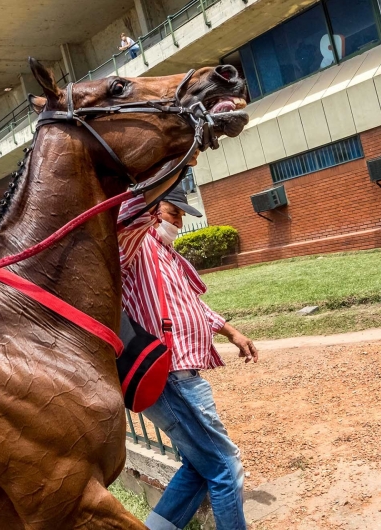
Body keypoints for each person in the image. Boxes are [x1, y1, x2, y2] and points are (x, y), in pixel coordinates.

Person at [118, 187, 259, 530]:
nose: (178, 223)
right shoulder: (135, 247)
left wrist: (232, 333)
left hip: (179, 375)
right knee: (225, 467)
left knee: (201, 466)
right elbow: (127, 217)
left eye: (181, 216)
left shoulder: (168, 255)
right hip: (170, 376)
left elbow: (192, 306)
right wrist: (157, 184)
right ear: (153, 210)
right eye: (173, 213)